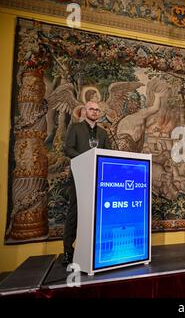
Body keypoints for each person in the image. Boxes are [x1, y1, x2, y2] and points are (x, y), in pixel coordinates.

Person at [63, 101, 111, 265]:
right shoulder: (75, 128)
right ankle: (68, 252)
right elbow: (68, 149)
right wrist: (84, 160)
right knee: (74, 213)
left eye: (97, 110)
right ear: (84, 111)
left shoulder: (103, 133)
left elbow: (108, 154)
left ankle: (93, 250)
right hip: (79, 176)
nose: (95, 112)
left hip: (98, 178)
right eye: (91, 109)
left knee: (97, 214)